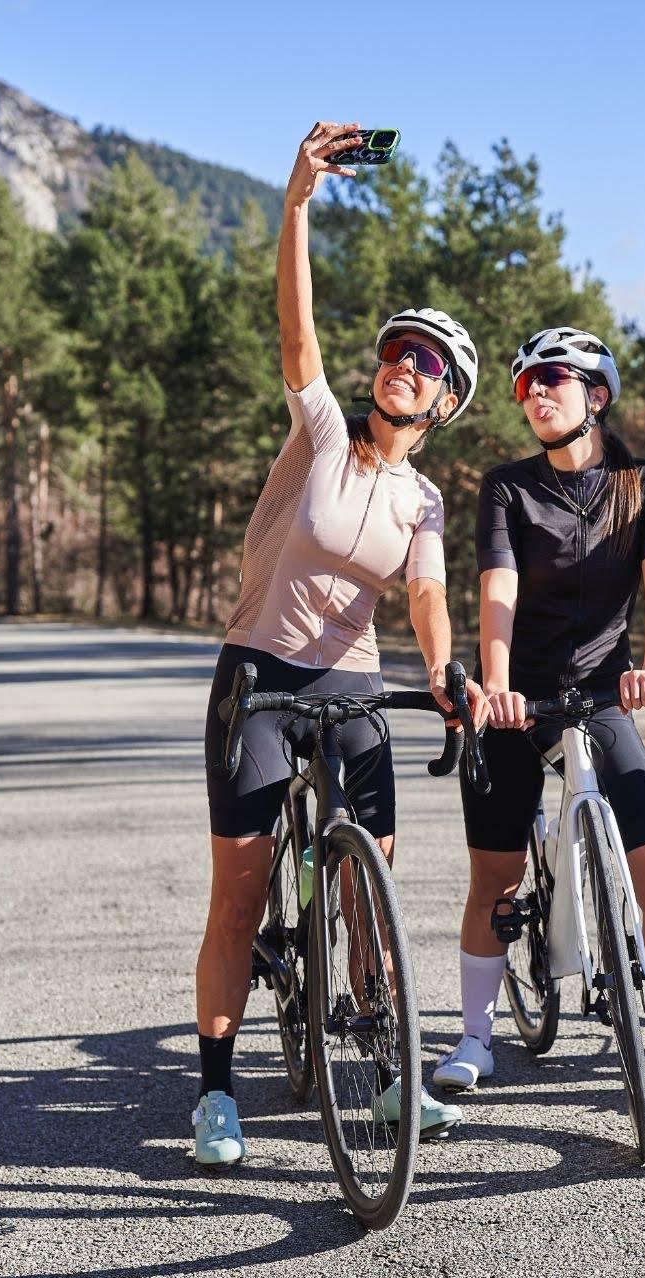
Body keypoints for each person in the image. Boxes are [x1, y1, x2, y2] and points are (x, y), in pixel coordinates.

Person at [192, 120, 481, 1167]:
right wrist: (298, 203)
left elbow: (426, 595)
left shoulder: (426, 498)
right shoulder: (321, 433)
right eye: (398, 351)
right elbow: (296, 337)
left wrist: (447, 672)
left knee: (375, 884)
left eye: (428, 363)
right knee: (238, 885)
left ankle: (394, 1068)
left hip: (351, 685)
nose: (404, 366)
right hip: (259, 675)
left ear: (445, 403)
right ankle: (215, 1092)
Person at [439, 326, 645, 1106]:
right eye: (524, 383)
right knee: (497, 874)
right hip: (517, 698)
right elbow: (499, 589)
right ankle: (474, 1036)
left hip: (603, 693)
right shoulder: (507, 486)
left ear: (597, 395)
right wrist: (495, 684)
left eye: (551, 378)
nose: (534, 392)